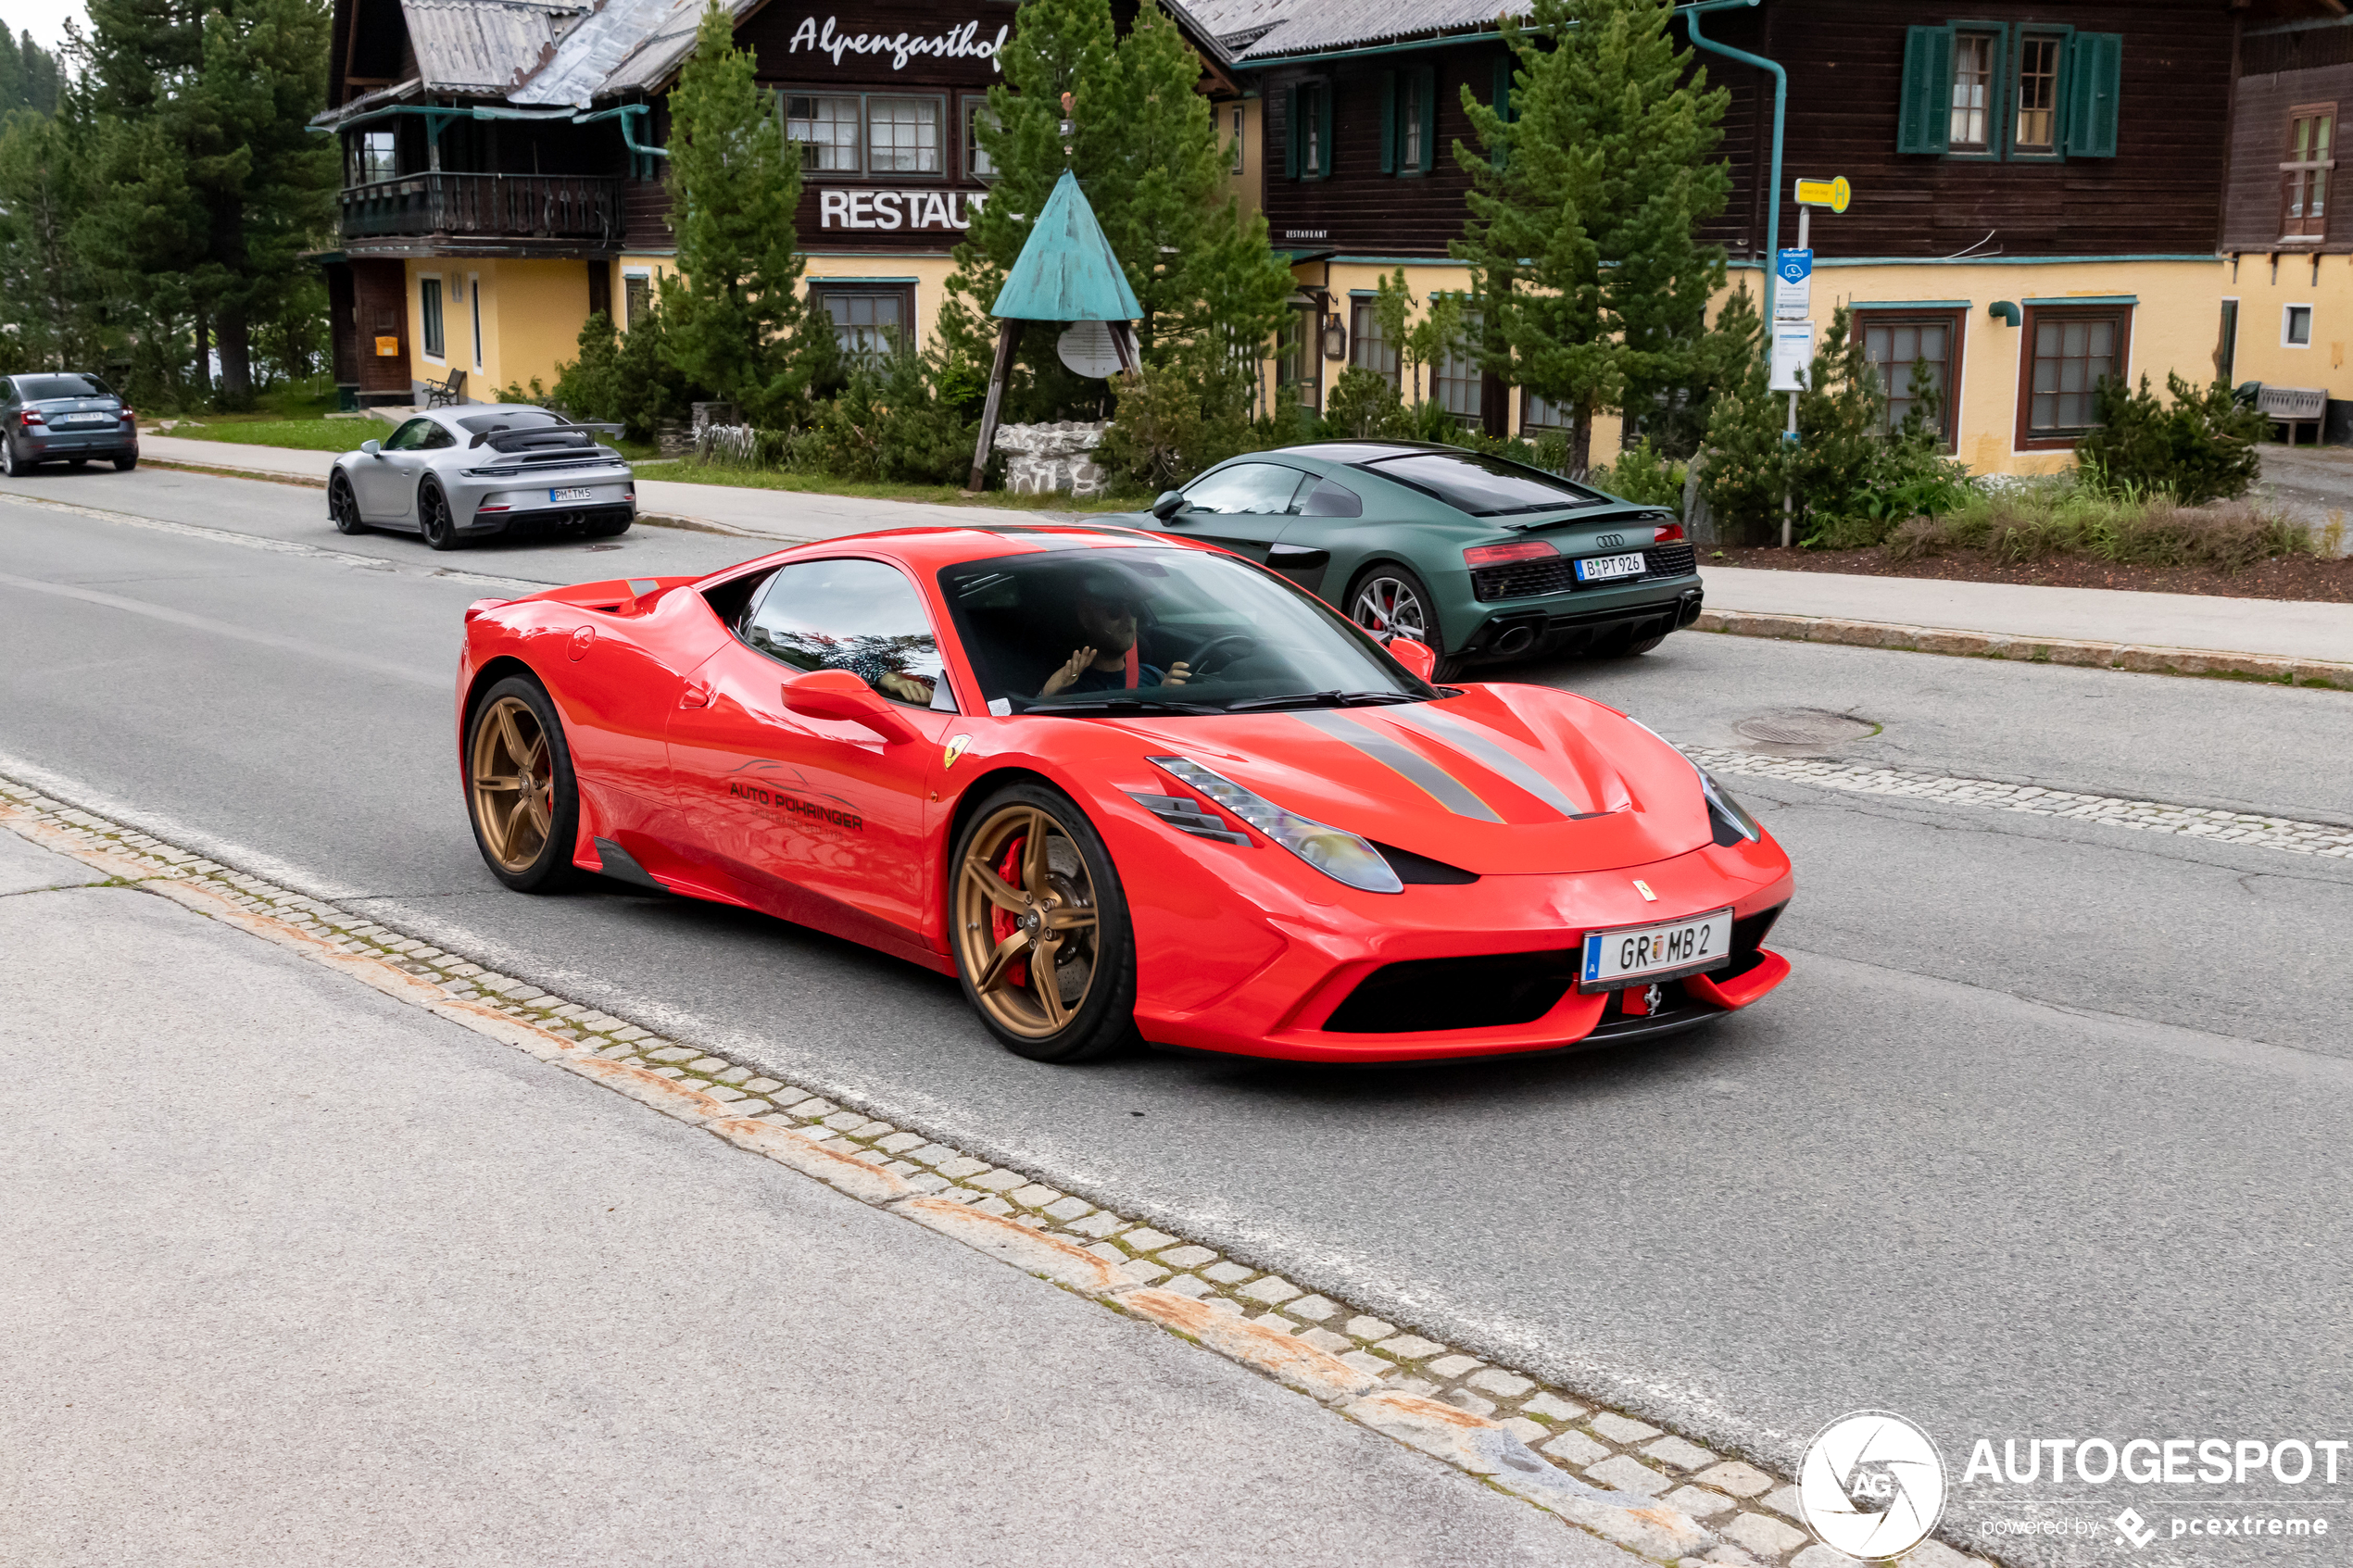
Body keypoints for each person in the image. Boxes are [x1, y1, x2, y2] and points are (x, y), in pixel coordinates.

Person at [1039, 569, 1192, 697]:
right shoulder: (1071, 685)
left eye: (1133, 608)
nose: (1128, 618)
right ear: (1086, 616)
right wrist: (1047, 696)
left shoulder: (1155, 676)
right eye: (1114, 610)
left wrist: (1166, 695)